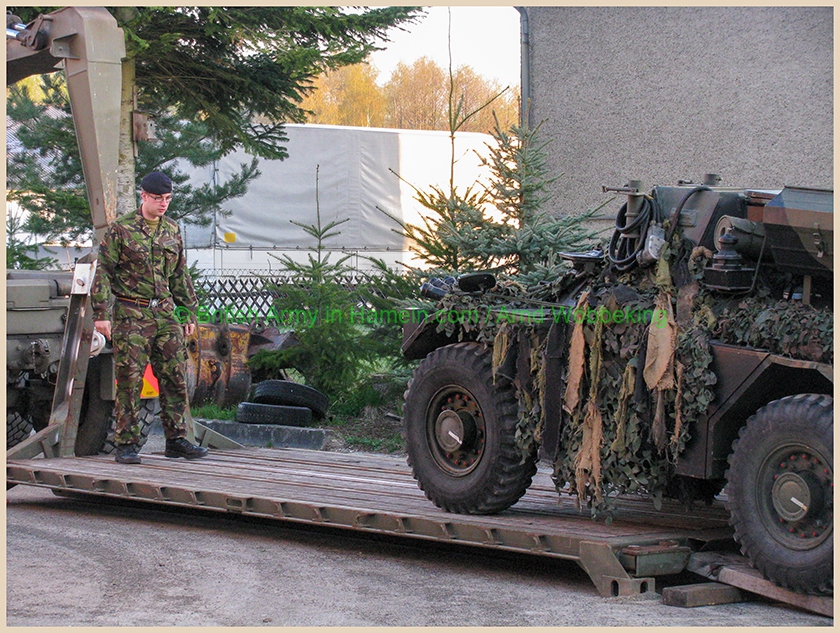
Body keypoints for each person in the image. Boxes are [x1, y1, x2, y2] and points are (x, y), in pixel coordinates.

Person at [91, 171, 208, 464]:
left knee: (174, 375)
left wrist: (187, 311)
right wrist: (101, 313)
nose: (163, 204)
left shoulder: (171, 229)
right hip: (132, 312)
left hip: (165, 312)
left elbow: (180, 273)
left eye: (167, 199)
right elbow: (104, 270)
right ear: (143, 196)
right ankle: (127, 444)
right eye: (158, 198)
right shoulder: (122, 229)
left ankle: (177, 440)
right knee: (129, 378)